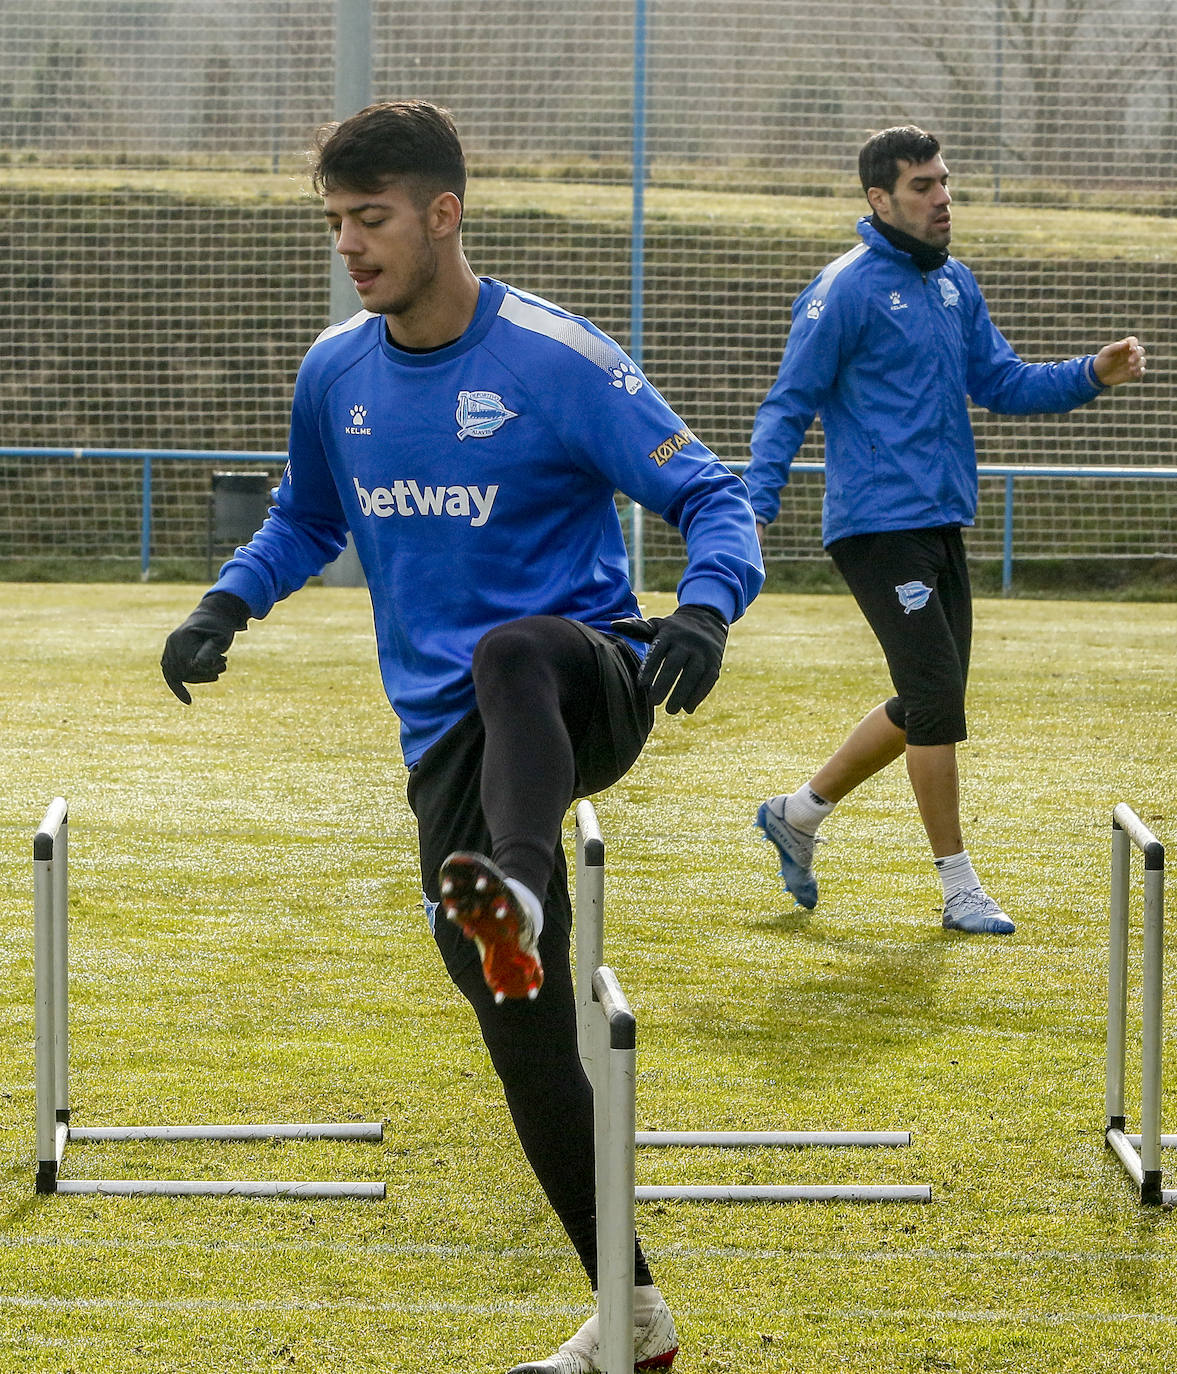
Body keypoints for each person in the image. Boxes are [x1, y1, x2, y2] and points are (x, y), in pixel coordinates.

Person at [161, 100, 762, 1373]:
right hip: (451, 753)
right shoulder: (336, 371)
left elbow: (712, 491)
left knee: (511, 652)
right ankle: (633, 1314)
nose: (350, 247)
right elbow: (305, 520)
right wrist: (225, 604)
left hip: (581, 678)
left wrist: (703, 613)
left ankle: (525, 891)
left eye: (369, 220)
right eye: (333, 223)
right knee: (527, 1043)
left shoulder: (553, 359)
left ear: (443, 214)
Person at [744, 125, 1146, 936]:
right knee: (934, 698)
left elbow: (1000, 381)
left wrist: (1088, 374)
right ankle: (959, 887)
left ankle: (797, 812)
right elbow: (789, 402)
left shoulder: (955, 285)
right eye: (923, 186)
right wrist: (752, 505)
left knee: (930, 699)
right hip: (874, 527)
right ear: (878, 199)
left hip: (939, 522)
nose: (942, 198)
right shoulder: (844, 290)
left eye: (944, 182)